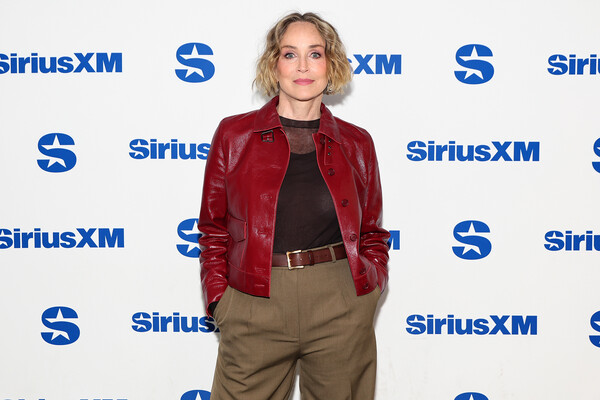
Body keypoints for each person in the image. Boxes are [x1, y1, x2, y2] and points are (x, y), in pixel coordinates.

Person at [198, 11, 390, 400]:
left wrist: (370, 288)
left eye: (315, 54)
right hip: (254, 301)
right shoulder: (234, 135)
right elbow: (213, 229)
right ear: (274, 65)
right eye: (290, 54)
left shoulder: (357, 143)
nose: (303, 66)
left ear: (331, 65)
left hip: (339, 301)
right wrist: (222, 301)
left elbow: (371, 230)